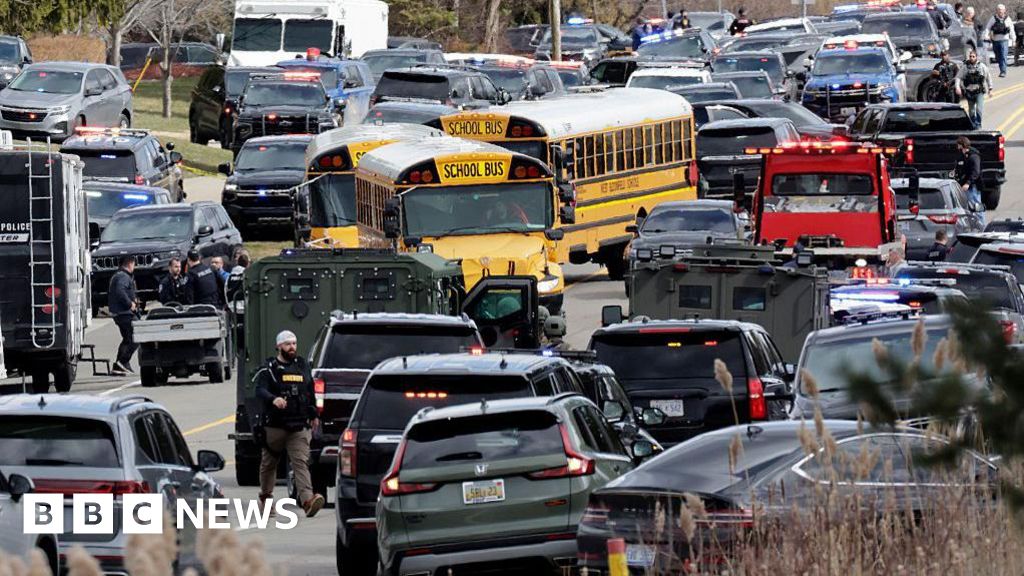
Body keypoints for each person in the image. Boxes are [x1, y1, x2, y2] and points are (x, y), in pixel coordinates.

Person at [254, 330, 325, 518]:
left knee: (300, 462)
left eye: (294, 343)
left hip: (298, 426)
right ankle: (266, 499)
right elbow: (260, 390)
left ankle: (308, 501)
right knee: (268, 465)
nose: (292, 347)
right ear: (279, 346)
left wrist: (314, 414)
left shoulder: (302, 366)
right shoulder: (269, 369)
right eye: (287, 344)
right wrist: (273, 399)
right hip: (274, 427)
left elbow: (310, 392)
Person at [108, 255, 138, 375]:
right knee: (136, 337)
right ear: (130, 264)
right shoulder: (123, 277)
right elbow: (120, 291)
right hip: (124, 313)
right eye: (134, 264)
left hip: (119, 313)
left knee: (127, 338)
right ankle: (123, 361)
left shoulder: (118, 275)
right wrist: (130, 304)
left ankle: (119, 365)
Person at [955, 50, 993, 128]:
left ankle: (978, 124)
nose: (971, 58)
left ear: (976, 57)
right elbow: (958, 77)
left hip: (979, 92)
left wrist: (990, 89)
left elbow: (988, 77)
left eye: (973, 56)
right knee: (971, 110)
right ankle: (973, 124)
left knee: (979, 109)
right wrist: (957, 87)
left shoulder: (982, 66)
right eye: (970, 56)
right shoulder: (965, 67)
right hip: (969, 92)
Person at [954, 136, 985, 224]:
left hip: (972, 187)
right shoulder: (963, 155)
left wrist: (968, 183)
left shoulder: (973, 156)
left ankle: (982, 225)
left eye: (958, 145)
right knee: (967, 209)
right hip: (964, 186)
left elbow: (976, 172)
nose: (957, 147)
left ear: (962, 145)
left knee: (976, 207)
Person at [985, 4, 1016, 77]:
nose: (1000, 11)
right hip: (995, 40)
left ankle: (1003, 71)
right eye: (999, 10)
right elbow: (988, 27)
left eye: (1002, 10)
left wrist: (1013, 40)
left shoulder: (1008, 19)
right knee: (998, 57)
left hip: (1004, 40)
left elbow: (1012, 30)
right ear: (997, 11)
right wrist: (986, 35)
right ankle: (1001, 68)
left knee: (1003, 55)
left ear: (1004, 10)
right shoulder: (993, 18)